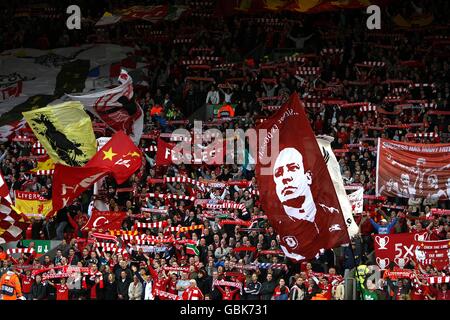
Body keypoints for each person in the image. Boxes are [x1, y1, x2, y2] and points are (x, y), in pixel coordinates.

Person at [272, 147, 347, 260]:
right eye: (278, 174)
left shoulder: (333, 215)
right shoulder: (281, 229)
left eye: (292, 168)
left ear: (308, 177)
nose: (285, 178)